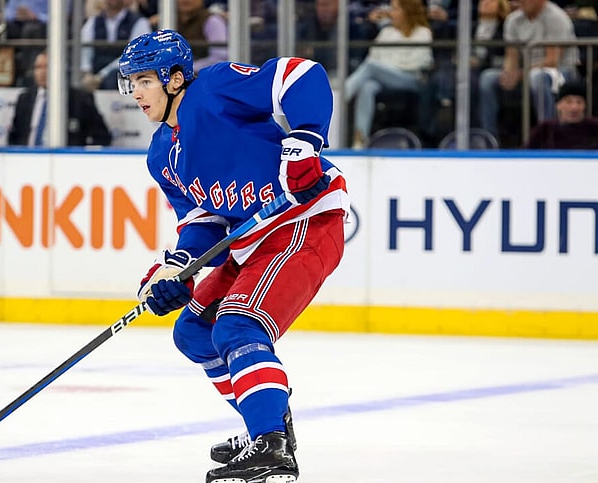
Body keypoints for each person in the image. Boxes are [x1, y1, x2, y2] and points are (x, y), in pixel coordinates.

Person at [118, 30, 349, 482]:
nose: (136, 93)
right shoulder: (161, 154)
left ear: (175, 78)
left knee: (237, 324)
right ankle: (268, 425)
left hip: (303, 221)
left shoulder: (216, 88)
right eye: (131, 83)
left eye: (145, 80)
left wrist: (303, 142)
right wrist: (175, 270)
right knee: (193, 331)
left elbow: (302, 75)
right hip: (252, 241)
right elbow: (202, 223)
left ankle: (271, 448)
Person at [478, 0, 579, 140]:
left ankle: (547, 137)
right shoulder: (513, 19)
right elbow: (511, 55)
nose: (520, 2)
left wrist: (520, 74)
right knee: (487, 78)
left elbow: (552, 60)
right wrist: (509, 74)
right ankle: (489, 140)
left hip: (560, 71)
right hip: (526, 71)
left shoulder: (556, 17)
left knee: (537, 78)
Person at [343, 0, 433, 148]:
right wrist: (387, 67)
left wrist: (386, 66)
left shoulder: (422, 32)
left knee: (371, 67)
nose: (391, 13)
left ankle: (340, 95)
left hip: (411, 79)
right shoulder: (386, 32)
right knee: (367, 86)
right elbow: (374, 55)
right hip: (384, 77)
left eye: (396, 9)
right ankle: (360, 139)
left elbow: (419, 63)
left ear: (407, 11)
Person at [8, 51, 112, 147]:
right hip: (27, 160)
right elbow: (14, 136)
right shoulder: (24, 99)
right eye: (38, 67)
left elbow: (102, 136)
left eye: (47, 67)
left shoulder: (80, 99)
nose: (42, 72)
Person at [80, 0, 152, 91]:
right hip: (95, 71)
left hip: (124, 72)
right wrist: (87, 74)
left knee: (114, 79)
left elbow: (134, 55)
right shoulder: (93, 21)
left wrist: (102, 76)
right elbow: (85, 51)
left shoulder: (139, 22)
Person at [525, 81, 598, 148]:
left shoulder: (595, 127)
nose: (574, 107)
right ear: (558, 105)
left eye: (579, 102)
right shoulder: (544, 130)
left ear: (585, 106)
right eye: (569, 102)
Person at [177, 0, 229, 72]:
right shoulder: (167, 20)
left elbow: (221, 57)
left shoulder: (213, 21)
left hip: (204, 76)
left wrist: (189, 68)